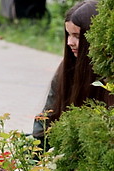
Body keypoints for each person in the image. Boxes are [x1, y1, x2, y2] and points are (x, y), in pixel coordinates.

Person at [32, 0, 114, 148]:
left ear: (95, 35)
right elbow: (46, 117)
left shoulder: (109, 71)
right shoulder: (68, 67)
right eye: (68, 35)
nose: (70, 42)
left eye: (77, 36)